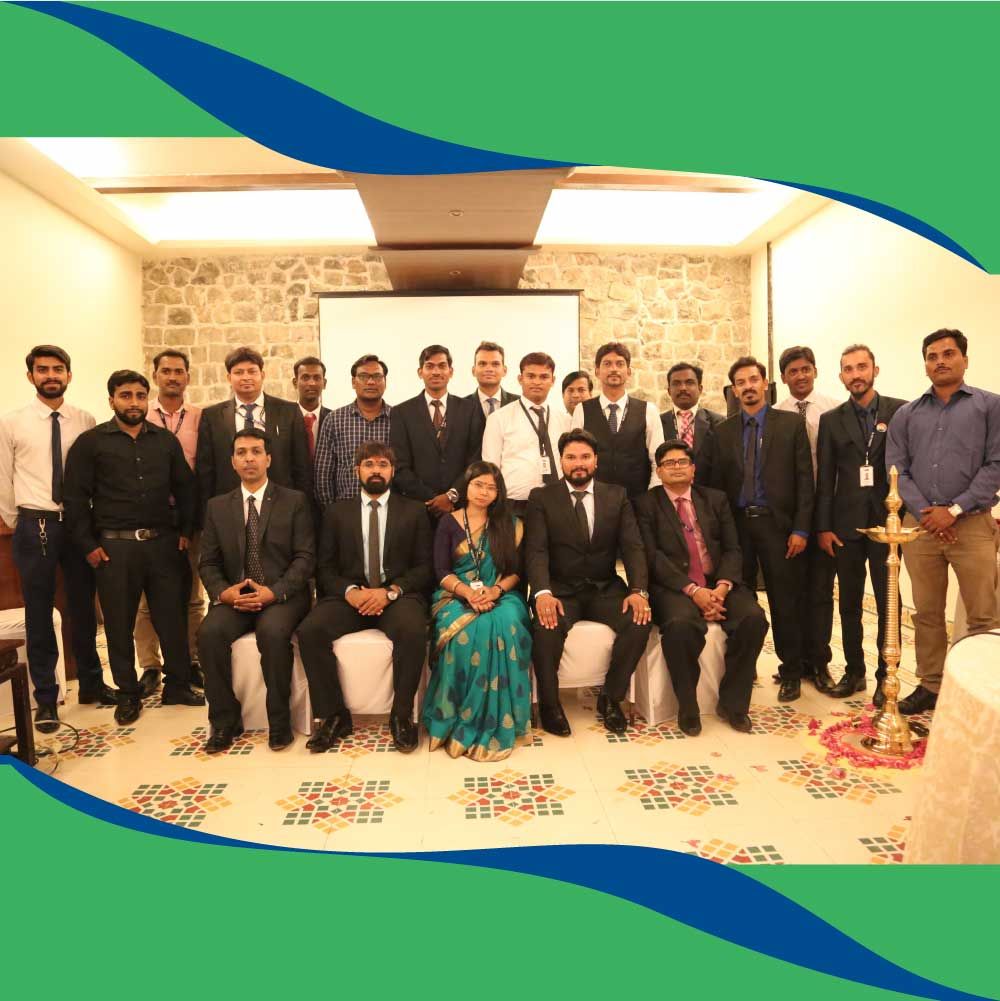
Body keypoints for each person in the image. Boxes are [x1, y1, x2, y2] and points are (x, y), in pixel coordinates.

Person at [63, 370, 204, 726]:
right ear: (111, 400)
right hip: (115, 549)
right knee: (118, 625)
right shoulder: (90, 443)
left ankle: (177, 685)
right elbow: (75, 498)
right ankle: (127, 694)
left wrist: (185, 531)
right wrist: (88, 545)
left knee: (172, 619)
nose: (134, 402)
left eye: (140, 395)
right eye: (126, 395)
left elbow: (186, 488)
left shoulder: (164, 441)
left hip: (163, 545)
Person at [0, 345, 116, 733]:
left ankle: (92, 684)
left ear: (69, 375)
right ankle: (46, 699)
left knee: (84, 607)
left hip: (78, 524)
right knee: (39, 612)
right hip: (35, 524)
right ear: (30, 376)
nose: (51, 375)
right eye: (43, 369)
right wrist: (22, 520)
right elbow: (3, 479)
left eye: (57, 369)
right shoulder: (11, 423)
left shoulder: (84, 420)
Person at [886, 328, 1000, 714]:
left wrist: (952, 511)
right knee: (927, 613)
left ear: (965, 359)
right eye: (932, 356)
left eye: (948, 354)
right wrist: (928, 514)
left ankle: (982, 691)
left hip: (972, 525)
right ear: (925, 365)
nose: (940, 361)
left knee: (983, 615)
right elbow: (896, 469)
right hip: (921, 528)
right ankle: (931, 685)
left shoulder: (990, 407)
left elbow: (996, 465)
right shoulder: (907, 414)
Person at [297, 441, 432, 753]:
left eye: (383, 465)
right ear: (357, 470)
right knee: (310, 631)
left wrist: (390, 592)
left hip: (395, 597)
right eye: (369, 464)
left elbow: (424, 567)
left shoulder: (413, 511)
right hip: (350, 598)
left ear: (393, 471)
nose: (376, 470)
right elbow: (325, 567)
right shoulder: (336, 512)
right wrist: (350, 592)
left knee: (413, 631)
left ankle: (401, 716)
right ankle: (333, 716)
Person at [636, 440, 768, 736]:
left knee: (753, 619)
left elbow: (733, 548)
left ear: (693, 468)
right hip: (674, 587)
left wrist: (721, 588)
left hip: (718, 583)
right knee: (680, 626)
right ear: (659, 471)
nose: (676, 467)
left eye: (682, 461)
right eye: (669, 463)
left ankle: (734, 703)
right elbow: (651, 557)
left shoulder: (715, 499)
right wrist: (693, 591)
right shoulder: (645, 504)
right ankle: (688, 705)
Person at [526, 428, 651, 736]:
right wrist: (542, 592)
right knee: (545, 628)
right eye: (571, 457)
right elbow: (536, 549)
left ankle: (610, 697)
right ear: (561, 461)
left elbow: (633, 546)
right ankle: (550, 705)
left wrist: (638, 590)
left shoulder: (617, 495)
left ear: (596, 460)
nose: (578, 463)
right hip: (559, 590)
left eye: (585, 456)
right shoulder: (542, 497)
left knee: (639, 621)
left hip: (604, 588)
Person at [197, 428, 315, 752]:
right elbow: (208, 562)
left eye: (256, 452)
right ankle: (224, 722)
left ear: (269, 459)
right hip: (236, 596)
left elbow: (305, 558)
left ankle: (279, 722)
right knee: (208, 634)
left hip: (282, 596)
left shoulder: (294, 501)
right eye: (241, 453)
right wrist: (225, 593)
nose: (249, 458)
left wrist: (274, 592)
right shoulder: (217, 506)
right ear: (232, 462)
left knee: (273, 634)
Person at [704, 356, 814, 702]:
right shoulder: (722, 432)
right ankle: (744, 665)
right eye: (741, 382)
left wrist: (801, 529)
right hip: (737, 528)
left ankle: (791, 670)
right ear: (734, 390)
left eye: (753, 380)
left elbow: (805, 481)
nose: (748, 387)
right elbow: (715, 487)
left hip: (778, 527)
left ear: (765, 383)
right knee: (740, 597)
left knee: (785, 600)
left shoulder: (790, 424)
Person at [423, 462, 532, 760]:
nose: (484, 492)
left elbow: (516, 572)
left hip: (501, 594)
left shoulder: (510, 524)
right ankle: (456, 718)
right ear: (466, 486)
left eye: (491, 487)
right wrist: (468, 593)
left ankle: (499, 720)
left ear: (499, 493)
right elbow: (441, 571)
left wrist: (495, 591)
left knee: (505, 623)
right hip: (454, 595)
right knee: (471, 631)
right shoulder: (448, 522)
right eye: (478, 485)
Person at [816, 345, 906, 706]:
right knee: (849, 603)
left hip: (888, 523)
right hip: (846, 525)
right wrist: (824, 526)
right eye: (849, 369)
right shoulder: (831, 420)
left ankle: (888, 676)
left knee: (889, 603)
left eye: (862, 367)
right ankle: (854, 671)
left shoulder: (900, 411)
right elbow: (826, 478)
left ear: (875, 370)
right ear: (841, 376)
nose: (856, 374)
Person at [134, 348, 205, 698]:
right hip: (151, 518)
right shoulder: (139, 415)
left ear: (188, 377)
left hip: (191, 516)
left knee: (193, 597)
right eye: (166, 371)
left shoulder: (201, 418)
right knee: (146, 601)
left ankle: (192, 660)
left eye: (179, 371)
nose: (173, 377)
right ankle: (150, 666)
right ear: (156, 376)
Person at [775, 345, 841, 692]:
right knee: (789, 593)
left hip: (826, 512)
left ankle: (819, 662)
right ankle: (793, 662)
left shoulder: (833, 409)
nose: (800, 376)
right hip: (789, 517)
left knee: (820, 591)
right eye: (793, 371)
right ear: (783, 377)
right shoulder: (776, 414)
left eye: (805, 369)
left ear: (815, 371)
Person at [196, 346, 311, 519]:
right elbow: (206, 470)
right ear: (229, 377)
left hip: (282, 506)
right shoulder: (212, 416)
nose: (246, 377)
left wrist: (302, 510)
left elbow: (301, 466)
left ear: (262, 375)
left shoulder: (289, 411)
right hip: (229, 508)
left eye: (252, 371)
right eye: (239, 372)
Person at [389, 344, 481, 520]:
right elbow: (399, 466)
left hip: (460, 508)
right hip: (417, 509)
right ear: (420, 372)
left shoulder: (469, 410)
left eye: (442, 366)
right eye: (429, 366)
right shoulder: (401, 412)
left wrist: (451, 496)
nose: (436, 372)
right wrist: (433, 500)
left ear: (451, 371)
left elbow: (475, 461)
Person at [481, 351, 571, 517]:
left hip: (557, 502)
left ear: (553, 380)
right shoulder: (499, 418)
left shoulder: (564, 420)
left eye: (544, 377)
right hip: (514, 504)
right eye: (531, 376)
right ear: (520, 379)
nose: (537, 382)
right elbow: (491, 467)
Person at [571, 342, 663, 500]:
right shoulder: (582, 410)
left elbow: (658, 460)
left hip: (638, 500)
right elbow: (576, 457)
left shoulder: (649, 410)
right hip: (594, 500)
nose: (614, 369)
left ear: (629, 371)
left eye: (620, 364)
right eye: (607, 364)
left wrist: (651, 496)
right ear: (597, 371)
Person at [314, 354, 392, 507]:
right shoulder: (334, 420)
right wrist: (333, 512)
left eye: (377, 376)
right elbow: (323, 474)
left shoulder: (398, 419)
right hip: (345, 510)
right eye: (363, 376)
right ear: (353, 382)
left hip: (390, 511)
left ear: (385, 381)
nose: (371, 382)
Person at [660, 361, 725, 476]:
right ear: (669, 391)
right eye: (676, 383)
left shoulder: (718, 422)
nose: (683, 388)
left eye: (689, 382)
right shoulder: (657, 423)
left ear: (700, 389)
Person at [466, 341, 520, 440]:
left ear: (504, 370)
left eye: (495, 364)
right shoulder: (461, 407)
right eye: (482, 364)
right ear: (473, 370)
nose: (489, 369)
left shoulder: (519, 403)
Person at [291, 355, 331, 462]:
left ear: (324, 383)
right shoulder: (284, 418)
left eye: (317, 378)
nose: (312, 383)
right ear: (295, 383)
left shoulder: (333, 419)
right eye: (305, 378)